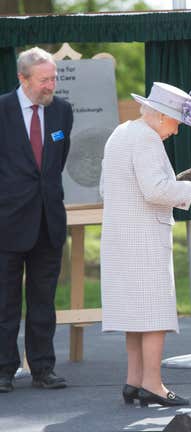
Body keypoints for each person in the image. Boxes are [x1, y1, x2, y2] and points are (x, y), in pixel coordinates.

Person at [99, 82, 191, 406]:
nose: (176, 131)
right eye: (177, 122)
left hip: (121, 236)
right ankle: (153, 384)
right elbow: (156, 190)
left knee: (135, 314)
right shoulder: (147, 138)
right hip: (144, 238)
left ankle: (133, 381)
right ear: (161, 116)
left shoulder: (121, 132)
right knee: (154, 315)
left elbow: (106, 187)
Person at [0, 47, 73, 393]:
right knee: (4, 300)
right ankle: (3, 369)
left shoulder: (62, 111)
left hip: (49, 221)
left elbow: (56, 163)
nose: (51, 85)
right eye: (44, 79)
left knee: (43, 300)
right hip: (7, 222)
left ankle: (43, 368)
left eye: (54, 77)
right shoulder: (1, 110)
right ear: (22, 79)